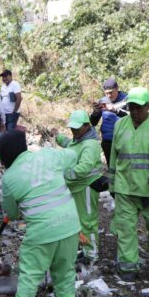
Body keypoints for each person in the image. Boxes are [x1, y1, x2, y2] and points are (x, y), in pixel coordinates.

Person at [0, 131, 80, 297]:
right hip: (70, 224)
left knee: (31, 272)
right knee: (65, 269)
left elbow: (12, 213)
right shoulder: (47, 155)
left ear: (6, 155)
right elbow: (73, 156)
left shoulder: (9, 178)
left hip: (43, 231)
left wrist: (15, 210)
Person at [109, 87, 149, 281]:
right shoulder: (120, 126)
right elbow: (114, 158)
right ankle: (128, 265)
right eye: (132, 108)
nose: (135, 112)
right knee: (125, 227)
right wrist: (113, 186)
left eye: (139, 108)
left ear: (148, 106)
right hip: (125, 187)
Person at [56, 110, 108, 264]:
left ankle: (91, 253)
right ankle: (83, 248)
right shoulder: (78, 140)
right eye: (72, 128)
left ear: (87, 126)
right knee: (76, 220)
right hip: (75, 188)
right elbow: (69, 145)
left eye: (77, 128)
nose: (74, 131)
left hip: (85, 187)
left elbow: (84, 167)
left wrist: (63, 174)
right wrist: (58, 137)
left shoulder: (90, 145)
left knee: (87, 221)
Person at [90, 78, 128, 164]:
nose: (109, 95)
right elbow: (93, 123)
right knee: (111, 168)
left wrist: (115, 110)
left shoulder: (126, 99)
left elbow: (133, 117)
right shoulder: (102, 101)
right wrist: (96, 113)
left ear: (117, 88)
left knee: (124, 167)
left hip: (124, 140)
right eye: (106, 93)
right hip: (108, 141)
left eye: (111, 92)